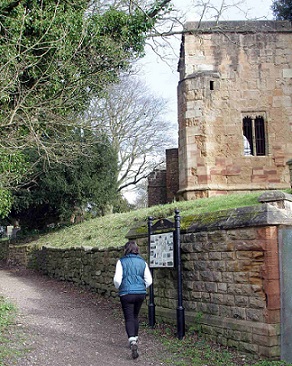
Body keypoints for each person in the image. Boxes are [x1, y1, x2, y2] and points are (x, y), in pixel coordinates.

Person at [113, 241, 152, 359]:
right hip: (140, 293)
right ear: (136, 249)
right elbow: (149, 280)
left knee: (129, 317)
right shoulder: (142, 262)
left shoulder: (121, 261)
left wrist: (119, 287)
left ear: (126, 249)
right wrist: (141, 287)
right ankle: (135, 338)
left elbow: (117, 280)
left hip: (126, 293)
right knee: (135, 315)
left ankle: (132, 341)